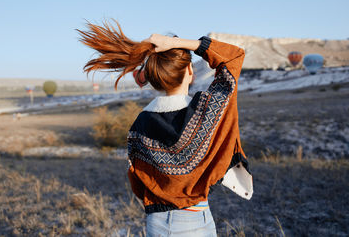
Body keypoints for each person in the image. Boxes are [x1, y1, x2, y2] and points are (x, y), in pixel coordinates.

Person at [78, 20, 253, 237]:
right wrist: (179, 43)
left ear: (154, 79)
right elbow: (233, 56)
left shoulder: (139, 126)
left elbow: (138, 180)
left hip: (165, 220)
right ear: (189, 70)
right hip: (197, 217)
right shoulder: (209, 110)